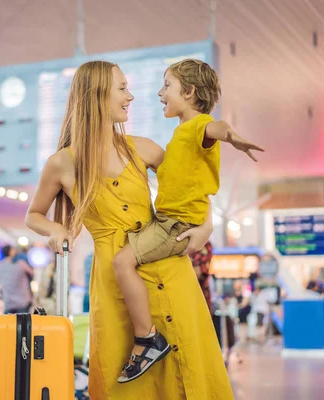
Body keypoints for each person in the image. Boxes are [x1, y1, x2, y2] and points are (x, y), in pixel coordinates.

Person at [25, 61, 234, 398]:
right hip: (114, 281)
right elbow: (33, 214)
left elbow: (190, 186)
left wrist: (206, 226)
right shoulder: (62, 162)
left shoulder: (143, 148)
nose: (131, 96)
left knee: (189, 369)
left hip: (169, 269)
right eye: (122, 88)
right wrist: (55, 230)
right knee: (123, 376)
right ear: (96, 95)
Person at [111, 59, 262, 381]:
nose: (159, 93)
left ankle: (147, 338)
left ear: (190, 91)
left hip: (173, 224)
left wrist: (232, 136)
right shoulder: (181, 135)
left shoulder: (196, 126)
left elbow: (214, 129)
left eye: (167, 86)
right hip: (168, 219)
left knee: (123, 262)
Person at [0, 245, 34, 314]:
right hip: (22, 302)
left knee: (9, 324)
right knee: (22, 324)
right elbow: (32, 273)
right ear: (11, 252)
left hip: (8, 302)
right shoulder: (21, 265)